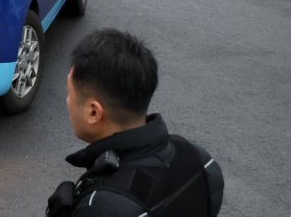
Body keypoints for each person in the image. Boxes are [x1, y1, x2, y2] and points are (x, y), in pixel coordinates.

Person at [47, 29, 224, 217]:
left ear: (93, 112)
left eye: (69, 92)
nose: (67, 101)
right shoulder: (201, 160)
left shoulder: (101, 208)